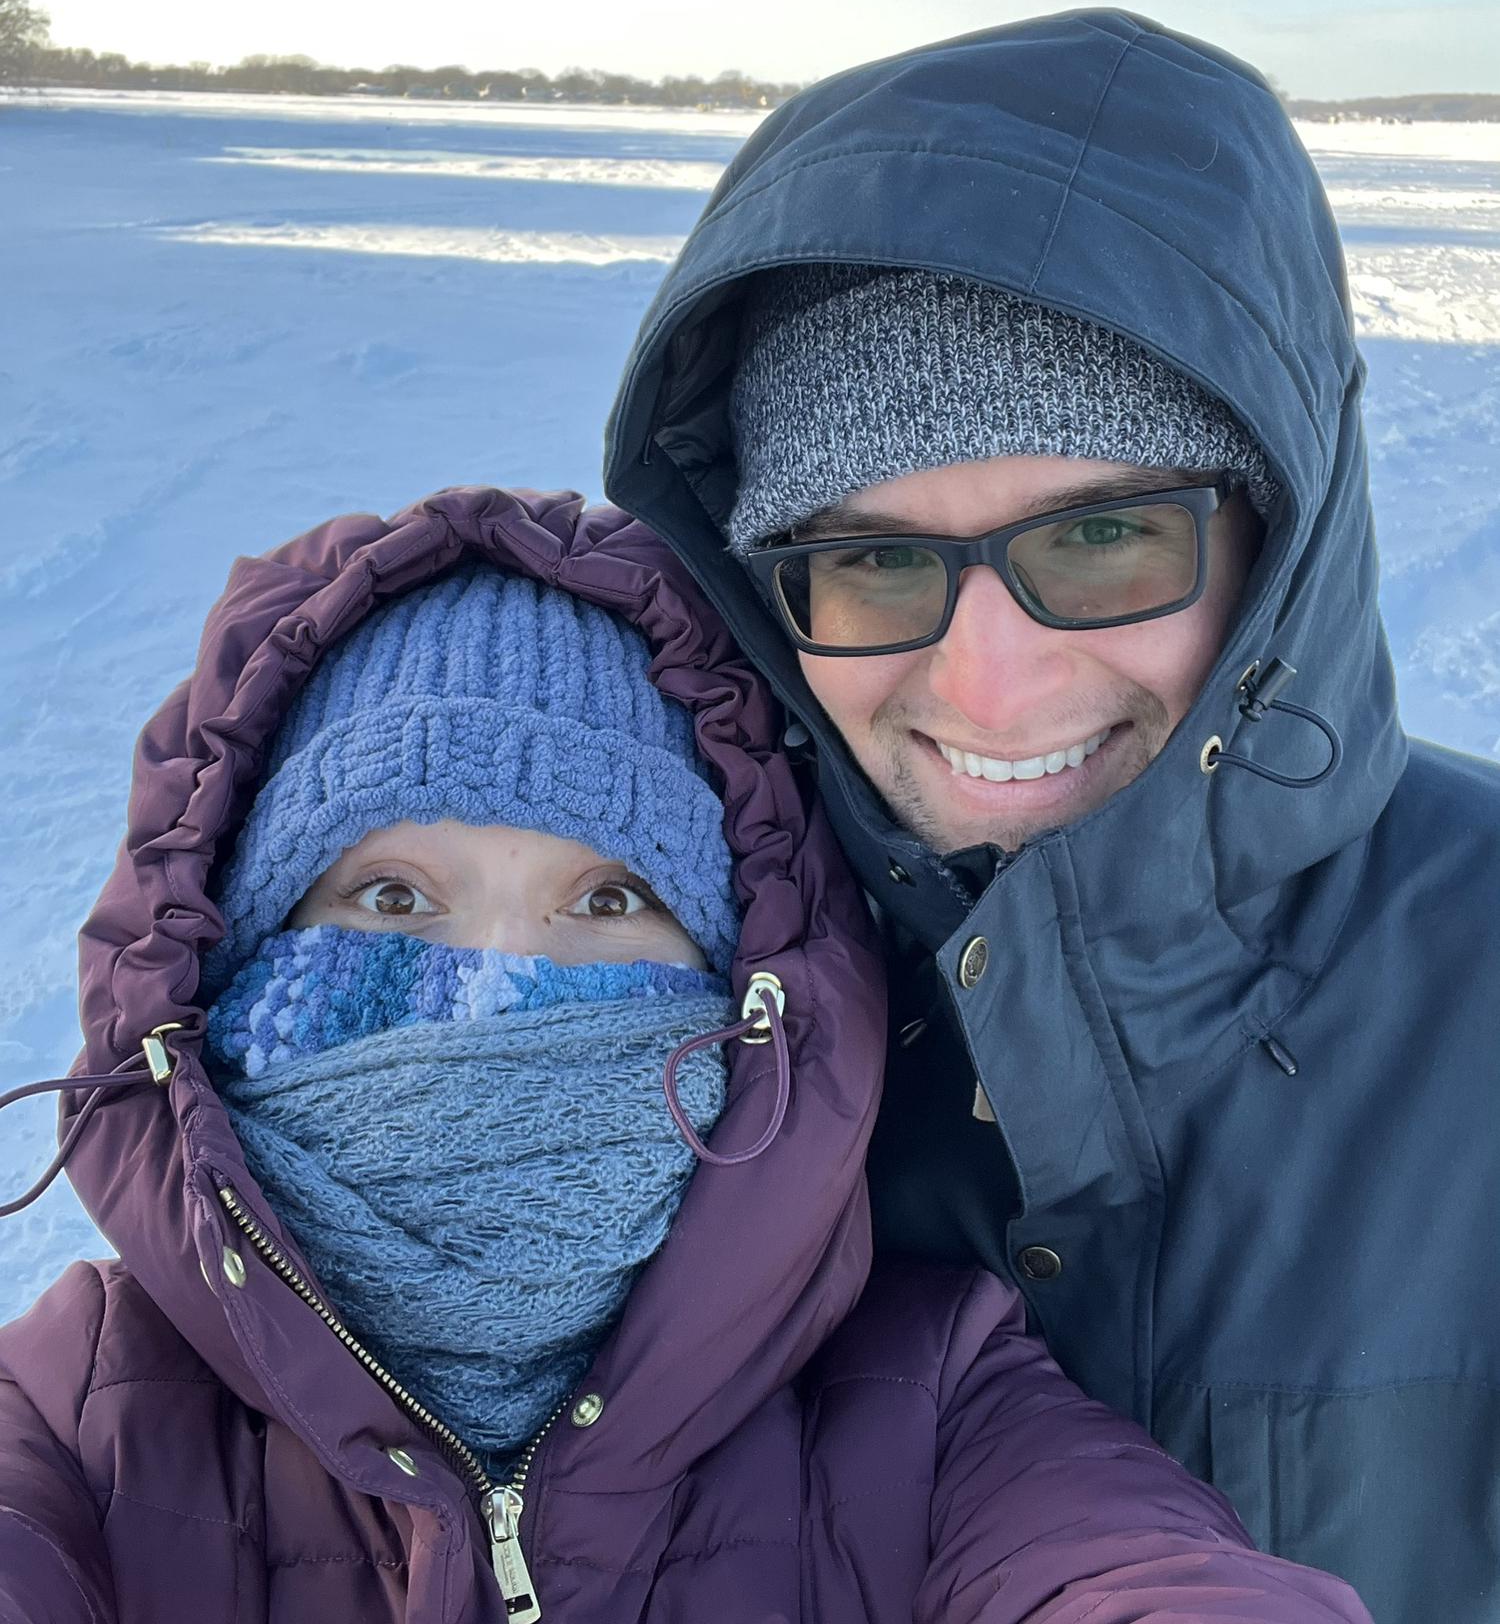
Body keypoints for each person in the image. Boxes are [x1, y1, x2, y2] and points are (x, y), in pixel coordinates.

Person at [0, 486, 1370, 1624]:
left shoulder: (931, 1406)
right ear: (235, 962)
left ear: (746, 994)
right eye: (392, 899)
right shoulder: (74, 1416)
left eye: (609, 903)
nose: (496, 987)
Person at [603, 7, 1500, 1620]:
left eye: (1100, 543)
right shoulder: (667, 981)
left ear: (1275, 531)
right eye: (869, 561)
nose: (993, 690)